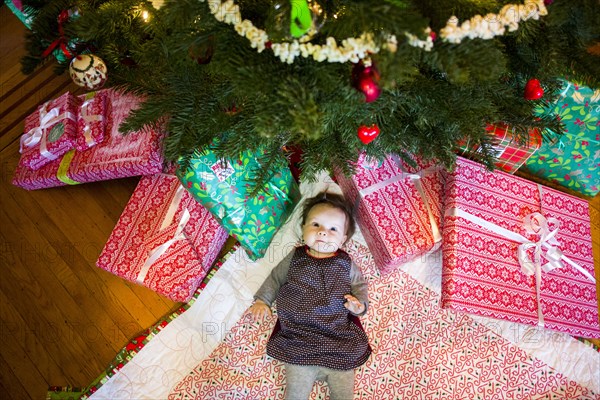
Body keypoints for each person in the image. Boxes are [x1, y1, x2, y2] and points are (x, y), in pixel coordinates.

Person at [249, 191, 371, 400]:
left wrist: (359, 305)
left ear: (343, 239)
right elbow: (275, 278)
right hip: (299, 340)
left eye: (332, 229)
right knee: (295, 394)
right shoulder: (295, 257)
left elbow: (360, 285)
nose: (323, 233)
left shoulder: (345, 262)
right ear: (303, 228)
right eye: (315, 225)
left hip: (338, 339)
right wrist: (263, 300)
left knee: (344, 394)